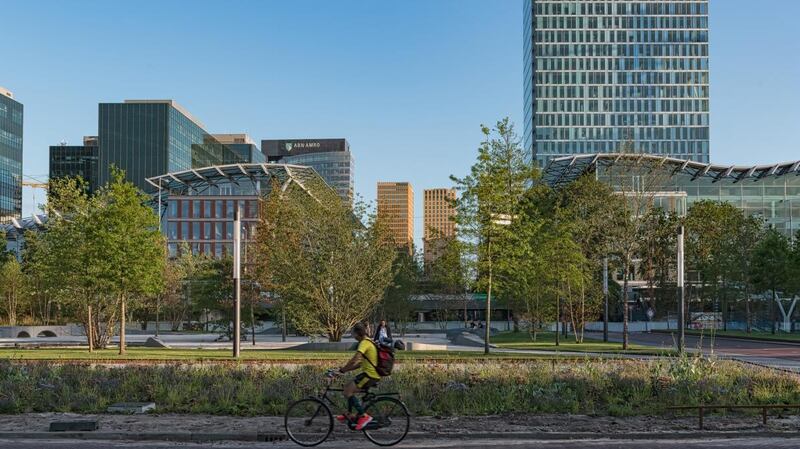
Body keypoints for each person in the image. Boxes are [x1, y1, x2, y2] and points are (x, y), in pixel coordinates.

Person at [333, 322, 379, 430]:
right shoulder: (368, 341)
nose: (353, 336)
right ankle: (349, 414)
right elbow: (359, 364)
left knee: (347, 391)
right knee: (347, 387)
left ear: (358, 333)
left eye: (353, 334)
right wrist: (343, 370)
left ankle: (364, 416)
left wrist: (343, 369)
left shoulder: (364, 343)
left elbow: (355, 359)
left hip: (369, 375)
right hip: (369, 374)